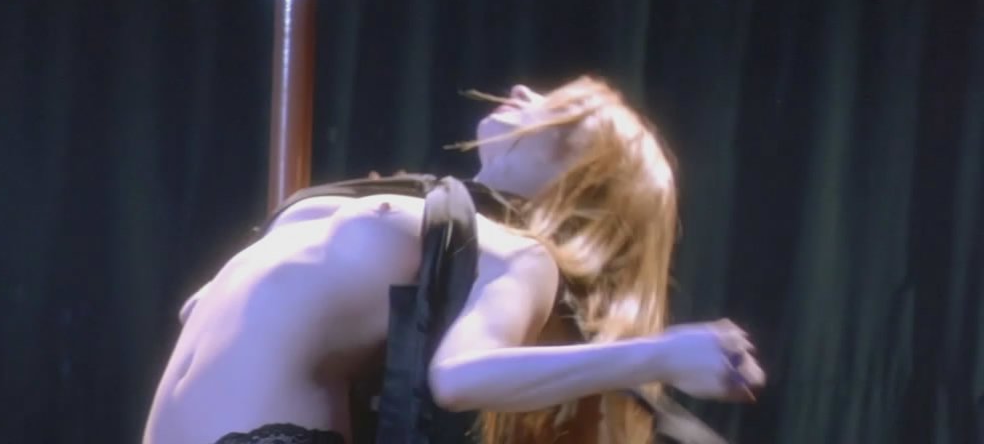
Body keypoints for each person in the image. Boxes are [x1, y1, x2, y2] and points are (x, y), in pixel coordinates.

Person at [143, 76, 765, 444]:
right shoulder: (425, 208)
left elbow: (461, 377)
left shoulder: (519, 256)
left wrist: (661, 355)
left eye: (562, 111)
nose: (523, 90)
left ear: (588, 182)